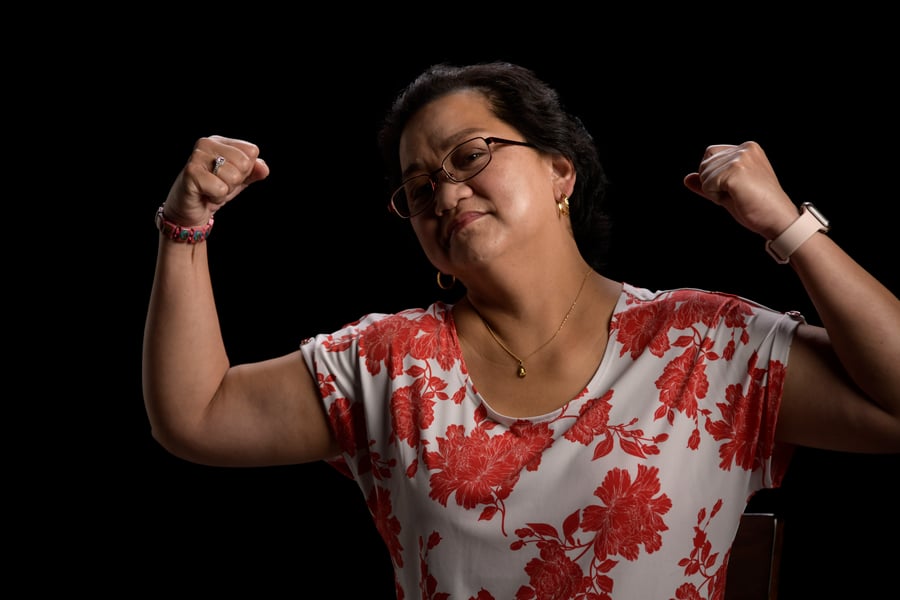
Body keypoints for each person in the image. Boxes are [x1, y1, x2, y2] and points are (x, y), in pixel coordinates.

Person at [143, 61, 900, 599]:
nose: (444, 189)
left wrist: (787, 226)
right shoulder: (389, 363)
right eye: (418, 186)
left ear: (559, 172)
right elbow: (198, 416)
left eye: (470, 154)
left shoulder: (704, 345)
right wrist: (186, 225)